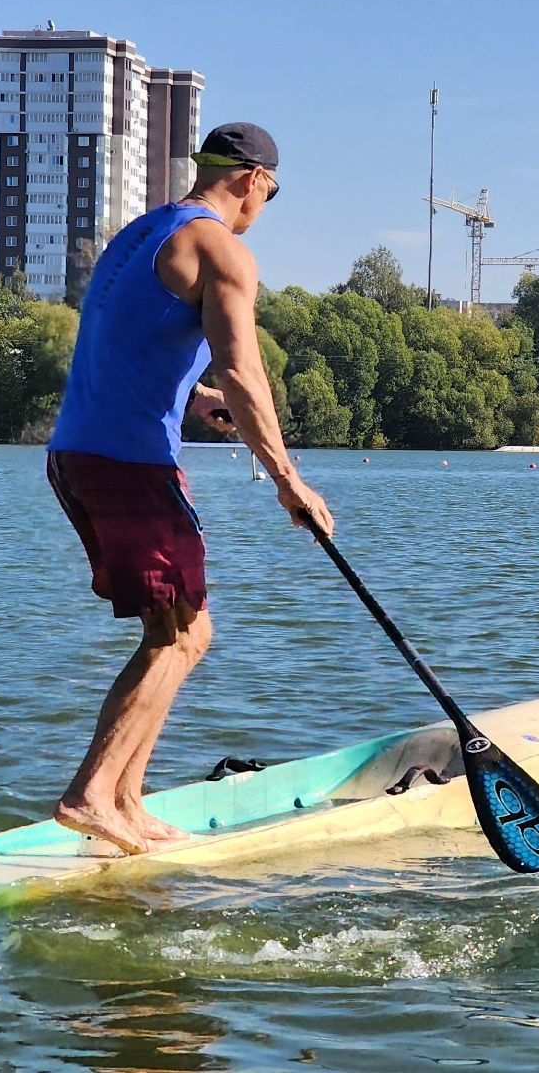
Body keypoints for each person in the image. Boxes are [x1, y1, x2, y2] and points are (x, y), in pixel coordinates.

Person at [45, 122, 334, 854]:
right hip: (129, 465)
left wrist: (193, 398)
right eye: (269, 196)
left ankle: (125, 802)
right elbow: (246, 371)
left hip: (76, 454)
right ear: (252, 181)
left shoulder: (142, 234)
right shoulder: (223, 249)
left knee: (178, 631)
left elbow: (127, 343)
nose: (261, 211)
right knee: (182, 634)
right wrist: (289, 481)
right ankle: (90, 795)